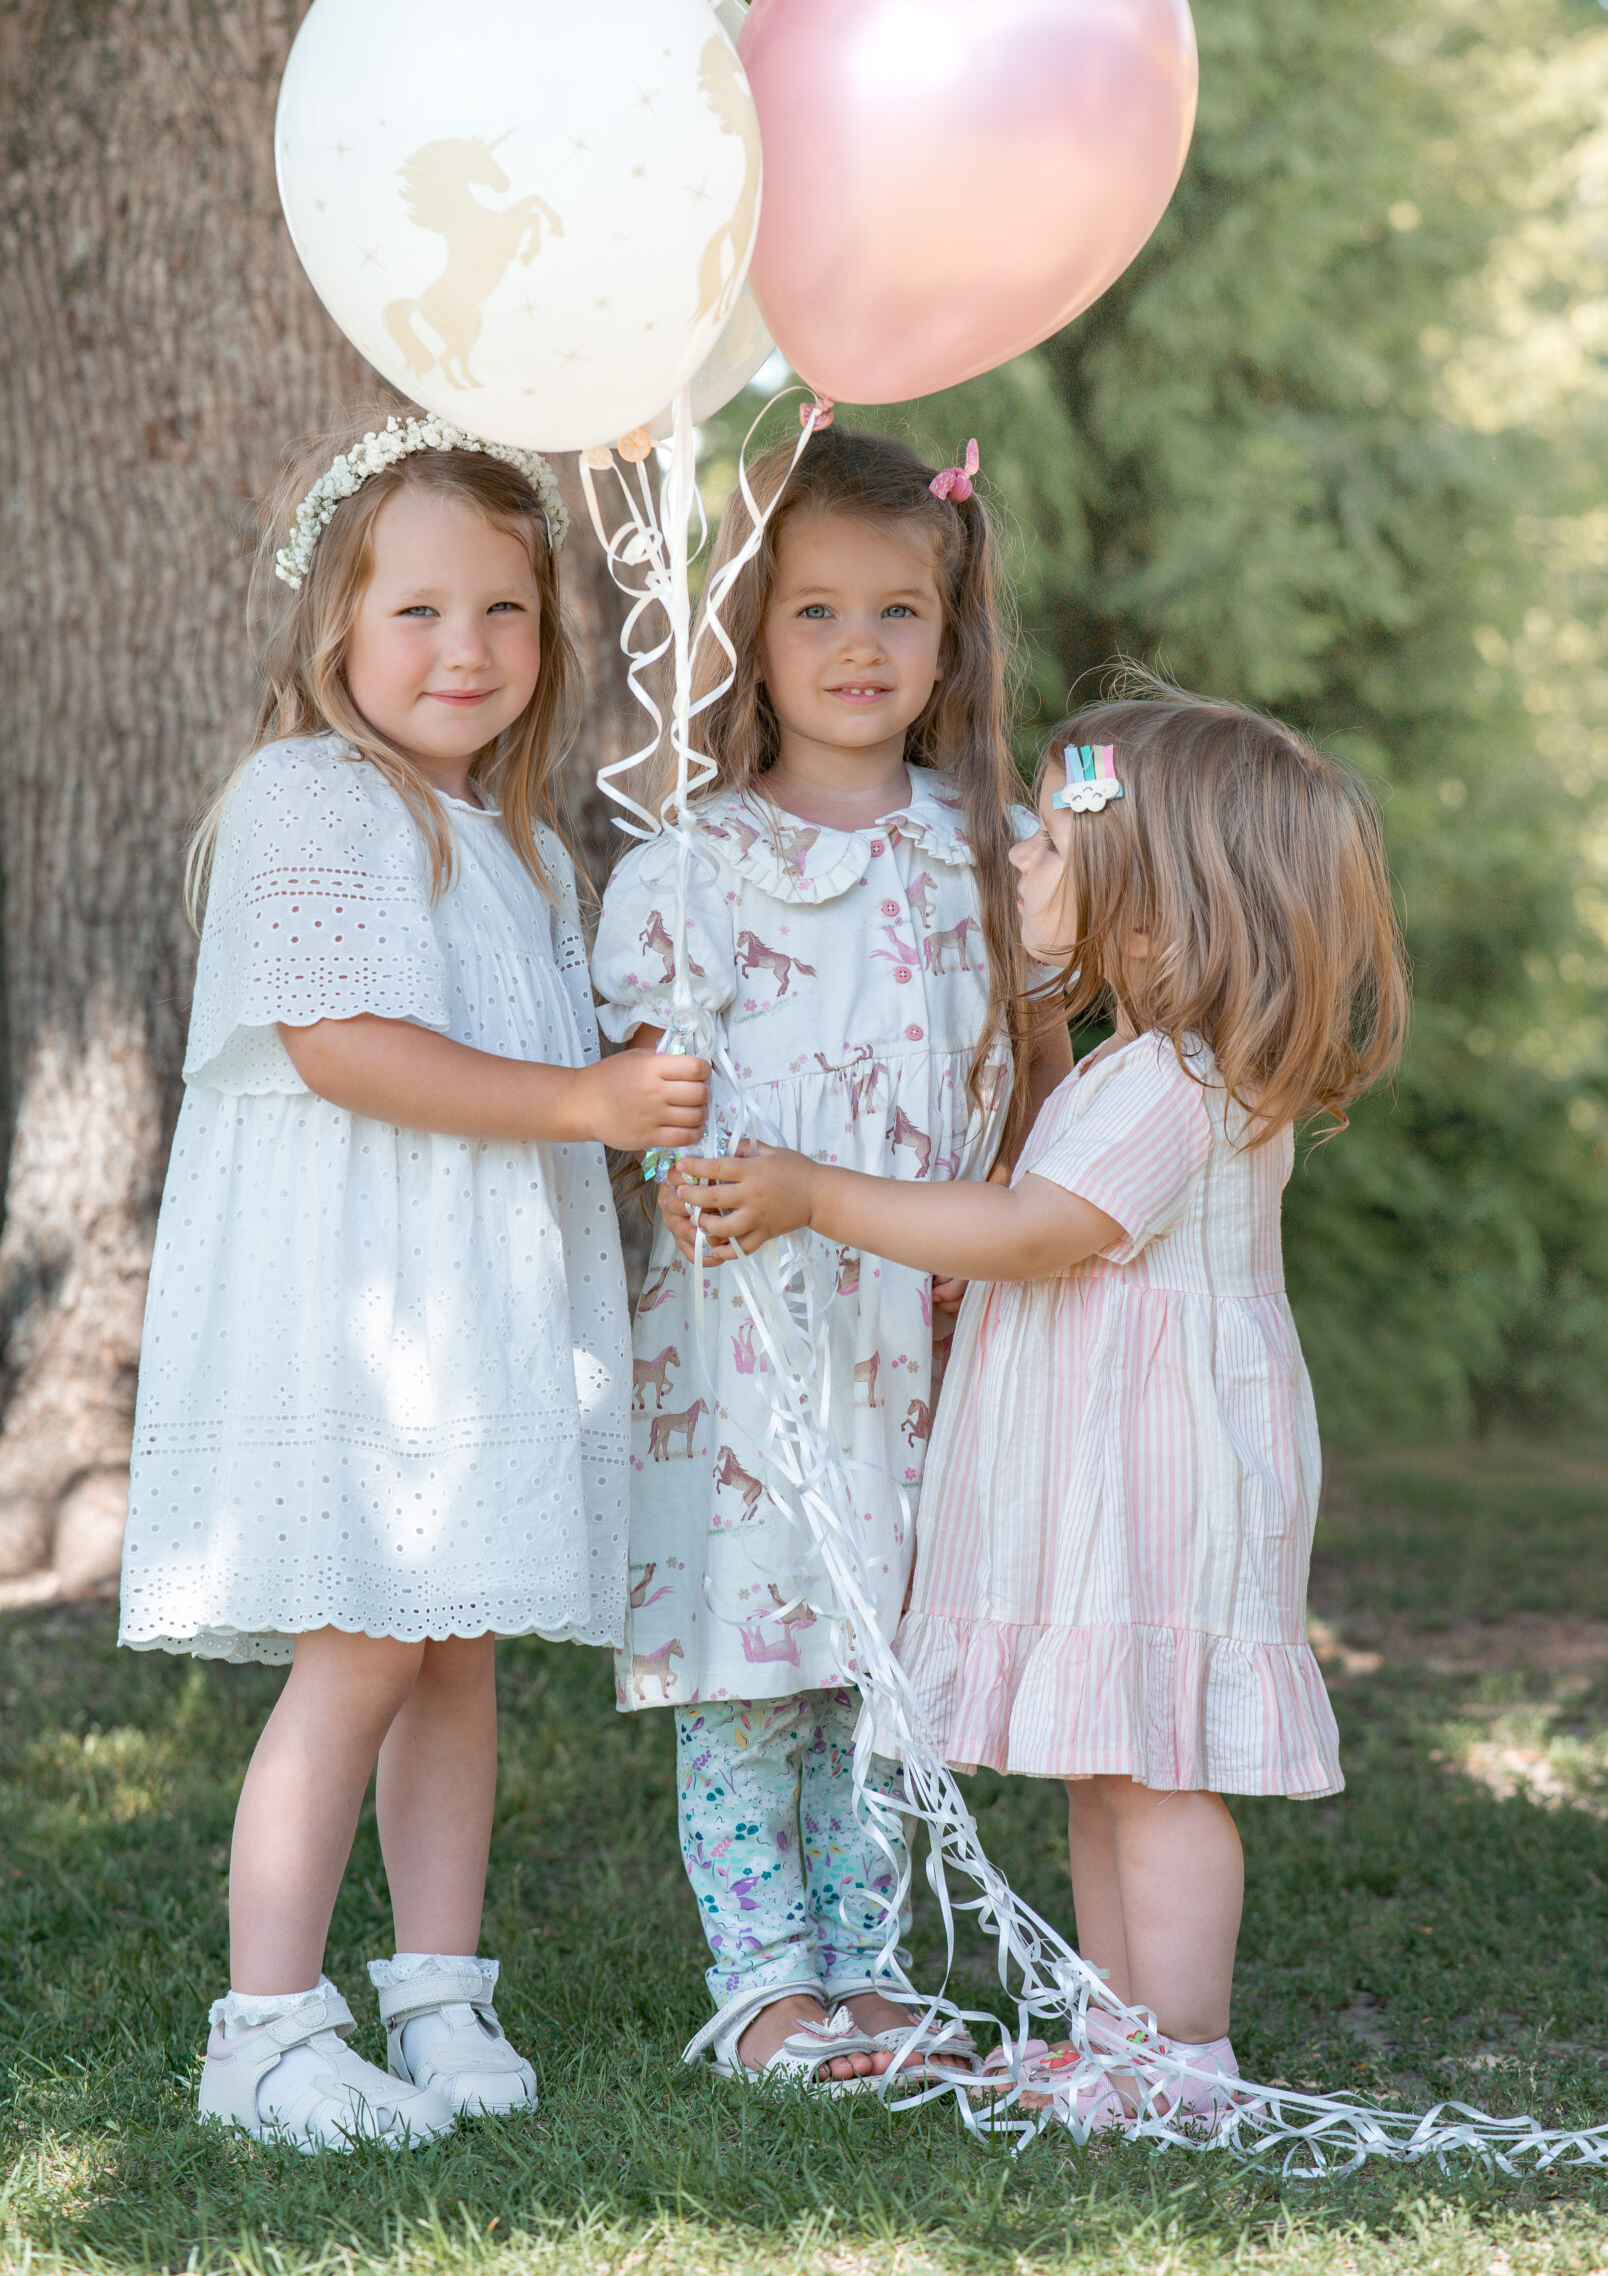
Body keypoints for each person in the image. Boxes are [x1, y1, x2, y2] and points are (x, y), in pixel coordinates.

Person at [665, 679, 1408, 2129]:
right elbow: (1050, 1240)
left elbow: (1038, 1229)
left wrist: (815, 1194)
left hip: (1155, 1474)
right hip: (1104, 1463)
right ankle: (1117, 2039)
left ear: (1154, 912)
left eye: (1055, 847)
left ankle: (1185, 2055)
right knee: (1105, 1762)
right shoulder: (1140, 1067)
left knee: (1155, 1768)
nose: (1019, 853)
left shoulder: (1174, 1081)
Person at [118, 413, 709, 2151]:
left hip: (476, 1308)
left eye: (506, 610)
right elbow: (346, 1046)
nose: (469, 649)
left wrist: (634, 1075)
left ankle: (439, 1990)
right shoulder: (310, 798)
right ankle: (263, 2031)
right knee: (365, 1648)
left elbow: (539, 1072)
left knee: (456, 1653)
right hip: (361, 1307)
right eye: (421, 612)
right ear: (338, 630)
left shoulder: (519, 844)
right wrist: (583, 1103)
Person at [590, 424, 1071, 2090]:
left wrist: (1004, 1202)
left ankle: (870, 1973)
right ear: (751, 632)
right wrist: (673, 1163)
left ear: (949, 638)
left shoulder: (994, 848)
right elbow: (648, 1092)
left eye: (896, 613)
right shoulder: (696, 864)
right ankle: (766, 1988)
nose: (858, 647)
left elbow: (1037, 1063)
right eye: (814, 611)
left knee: (889, 1656)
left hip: (924, 1305)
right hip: (753, 1323)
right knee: (753, 1648)